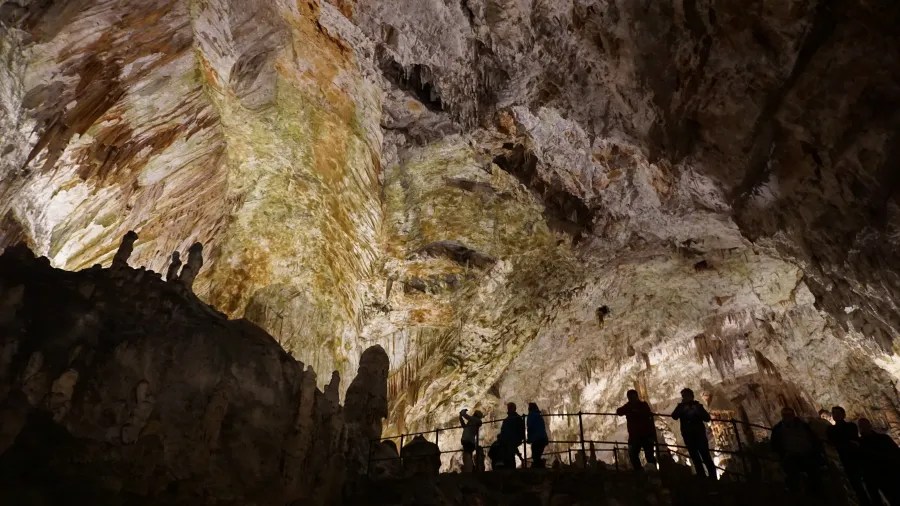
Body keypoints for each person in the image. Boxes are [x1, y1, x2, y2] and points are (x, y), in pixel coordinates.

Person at [771, 407, 823, 495]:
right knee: (792, 476)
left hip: (807, 454)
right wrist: (782, 455)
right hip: (790, 456)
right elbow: (775, 444)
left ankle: (817, 493)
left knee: (814, 473)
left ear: (793, 415)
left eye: (789, 415)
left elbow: (813, 438)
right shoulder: (778, 429)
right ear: (782, 416)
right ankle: (797, 494)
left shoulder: (803, 425)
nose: (787, 417)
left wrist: (816, 451)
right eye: (785, 415)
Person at [827, 406, 873, 505]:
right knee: (858, 487)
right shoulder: (830, 429)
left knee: (870, 484)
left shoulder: (851, 426)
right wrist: (847, 443)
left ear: (843, 415)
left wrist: (843, 443)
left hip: (857, 458)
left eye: (838, 413)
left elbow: (851, 439)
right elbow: (835, 442)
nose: (836, 415)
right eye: (834, 413)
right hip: (846, 460)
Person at [671, 388, 716, 478]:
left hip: (699, 435)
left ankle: (713, 477)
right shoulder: (681, 407)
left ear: (691, 396)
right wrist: (681, 408)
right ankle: (702, 476)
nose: (684, 398)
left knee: (705, 456)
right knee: (695, 458)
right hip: (688, 436)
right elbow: (674, 416)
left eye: (686, 396)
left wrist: (697, 410)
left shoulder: (698, 406)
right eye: (683, 396)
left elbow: (707, 418)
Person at [858, 418, 900, 505]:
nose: (863, 428)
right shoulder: (860, 444)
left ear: (869, 425)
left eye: (864, 425)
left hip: (890, 472)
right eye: (861, 426)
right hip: (878, 476)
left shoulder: (883, 439)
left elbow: (895, 452)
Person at [617, 389, 657, 471]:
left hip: (645, 435)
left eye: (632, 397)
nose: (631, 399)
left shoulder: (643, 405)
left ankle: (653, 471)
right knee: (633, 454)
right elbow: (619, 411)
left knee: (649, 455)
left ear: (636, 396)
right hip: (635, 436)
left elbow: (646, 413)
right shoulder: (629, 406)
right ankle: (639, 471)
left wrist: (632, 410)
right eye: (630, 397)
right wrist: (630, 409)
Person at [498, 402, 525, 469]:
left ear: (514, 408)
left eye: (510, 408)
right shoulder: (509, 419)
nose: (509, 409)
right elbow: (503, 430)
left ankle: (511, 469)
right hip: (508, 440)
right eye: (508, 408)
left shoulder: (515, 418)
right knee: (509, 455)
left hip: (512, 439)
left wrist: (522, 437)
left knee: (510, 454)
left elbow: (521, 428)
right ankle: (510, 468)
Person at [526, 402, 549, 468]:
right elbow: (542, 428)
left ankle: (540, 469)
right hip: (542, 438)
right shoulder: (538, 415)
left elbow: (530, 427)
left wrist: (529, 439)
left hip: (537, 439)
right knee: (537, 456)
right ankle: (540, 467)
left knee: (535, 456)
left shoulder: (531, 415)